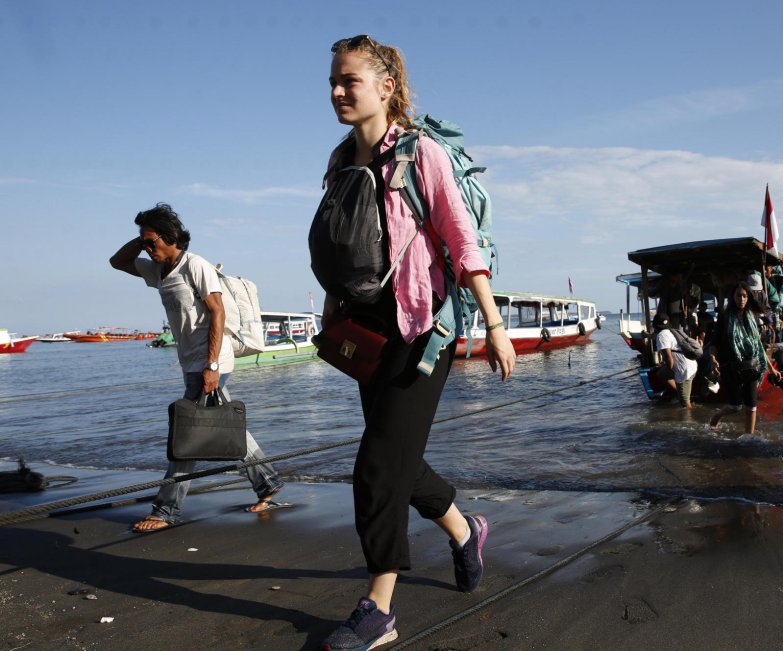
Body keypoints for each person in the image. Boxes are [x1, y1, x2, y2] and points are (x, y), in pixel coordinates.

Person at [318, 35, 516, 651]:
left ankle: (380, 610)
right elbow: (336, 246)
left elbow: (461, 240)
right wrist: (330, 314)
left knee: (377, 465)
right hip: (366, 332)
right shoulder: (339, 158)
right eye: (333, 81)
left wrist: (495, 324)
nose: (337, 92)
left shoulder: (419, 152)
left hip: (420, 328)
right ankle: (465, 532)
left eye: (349, 80)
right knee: (399, 459)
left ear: (386, 87)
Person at [109, 203, 285, 532]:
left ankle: (165, 510)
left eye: (152, 242)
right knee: (224, 426)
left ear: (170, 237)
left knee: (187, 433)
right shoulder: (158, 270)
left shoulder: (196, 265)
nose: (148, 249)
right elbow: (117, 262)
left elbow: (217, 312)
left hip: (210, 360)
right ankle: (269, 483)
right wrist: (142, 239)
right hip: (191, 361)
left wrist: (213, 365)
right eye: (145, 243)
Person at [707, 282, 782, 435]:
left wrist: (772, 369)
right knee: (735, 406)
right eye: (738, 295)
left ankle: (749, 437)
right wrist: (712, 358)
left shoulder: (752, 317)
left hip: (751, 365)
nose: (741, 299)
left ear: (748, 298)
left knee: (752, 405)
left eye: (744, 296)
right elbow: (714, 343)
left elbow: (759, 347)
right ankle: (717, 415)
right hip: (731, 366)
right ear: (732, 297)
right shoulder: (725, 318)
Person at [654, 315, 696, 408]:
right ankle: (680, 392)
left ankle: (690, 419)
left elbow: (668, 357)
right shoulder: (672, 331)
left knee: (685, 404)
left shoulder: (661, 335)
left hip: (684, 368)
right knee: (661, 374)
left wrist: (670, 369)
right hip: (691, 362)